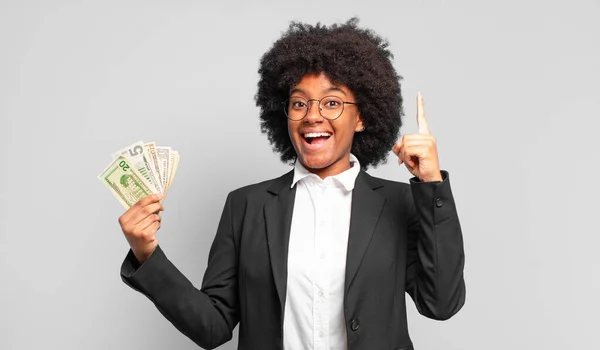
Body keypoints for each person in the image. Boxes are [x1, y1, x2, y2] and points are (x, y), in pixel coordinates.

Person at [117, 18, 466, 350]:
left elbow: (441, 303)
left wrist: (432, 185)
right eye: (299, 103)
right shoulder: (246, 207)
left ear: (361, 118)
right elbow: (213, 325)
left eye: (332, 102)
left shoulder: (399, 203)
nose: (312, 115)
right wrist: (146, 254)